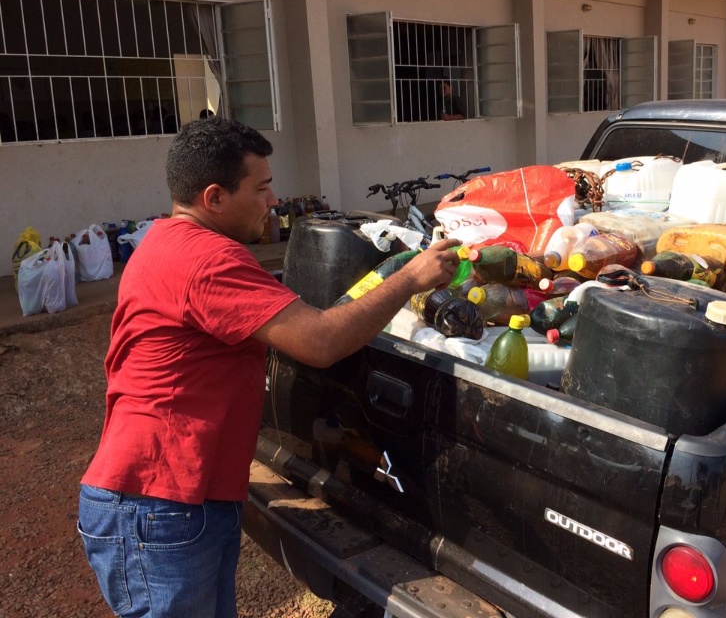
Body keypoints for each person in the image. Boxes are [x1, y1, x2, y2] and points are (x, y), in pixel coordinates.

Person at [77, 117, 460, 618]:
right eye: (261, 188)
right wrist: (410, 279)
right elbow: (319, 342)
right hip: (160, 504)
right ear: (214, 197)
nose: (274, 199)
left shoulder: (166, 240)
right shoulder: (207, 260)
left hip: (176, 500)